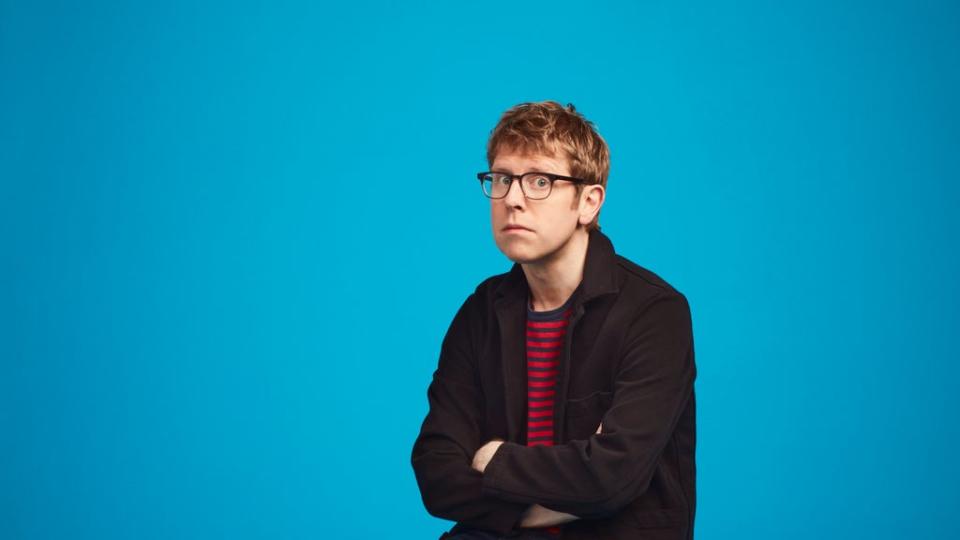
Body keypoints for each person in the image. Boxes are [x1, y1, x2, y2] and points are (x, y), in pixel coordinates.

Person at [411, 101, 697, 540]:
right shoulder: (481, 312)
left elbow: (612, 478)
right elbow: (436, 471)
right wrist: (548, 506)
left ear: (589, 201)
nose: (513, 199)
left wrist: (496, 457)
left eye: (540, 181)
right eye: (502, 179)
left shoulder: (654, 312)